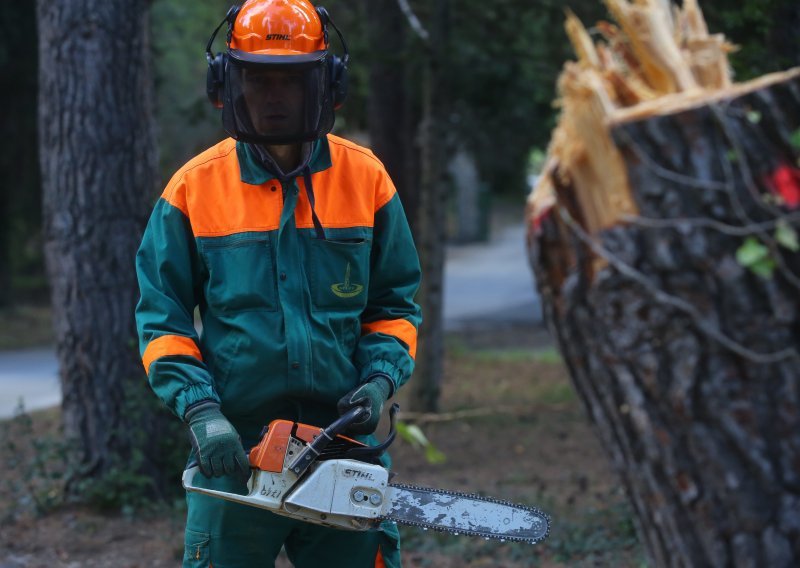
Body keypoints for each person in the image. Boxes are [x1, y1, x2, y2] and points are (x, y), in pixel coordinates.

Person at [134, 1, 421, 566]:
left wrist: (380, 382)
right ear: (227, 82)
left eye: (290, 82)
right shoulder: (193, 189)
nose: (272, 96)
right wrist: (201, 413)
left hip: (343, 438)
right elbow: (160, 318)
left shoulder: (366, 180)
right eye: (257, 79)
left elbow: (394, 306)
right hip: (234, 449)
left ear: (326, 83)